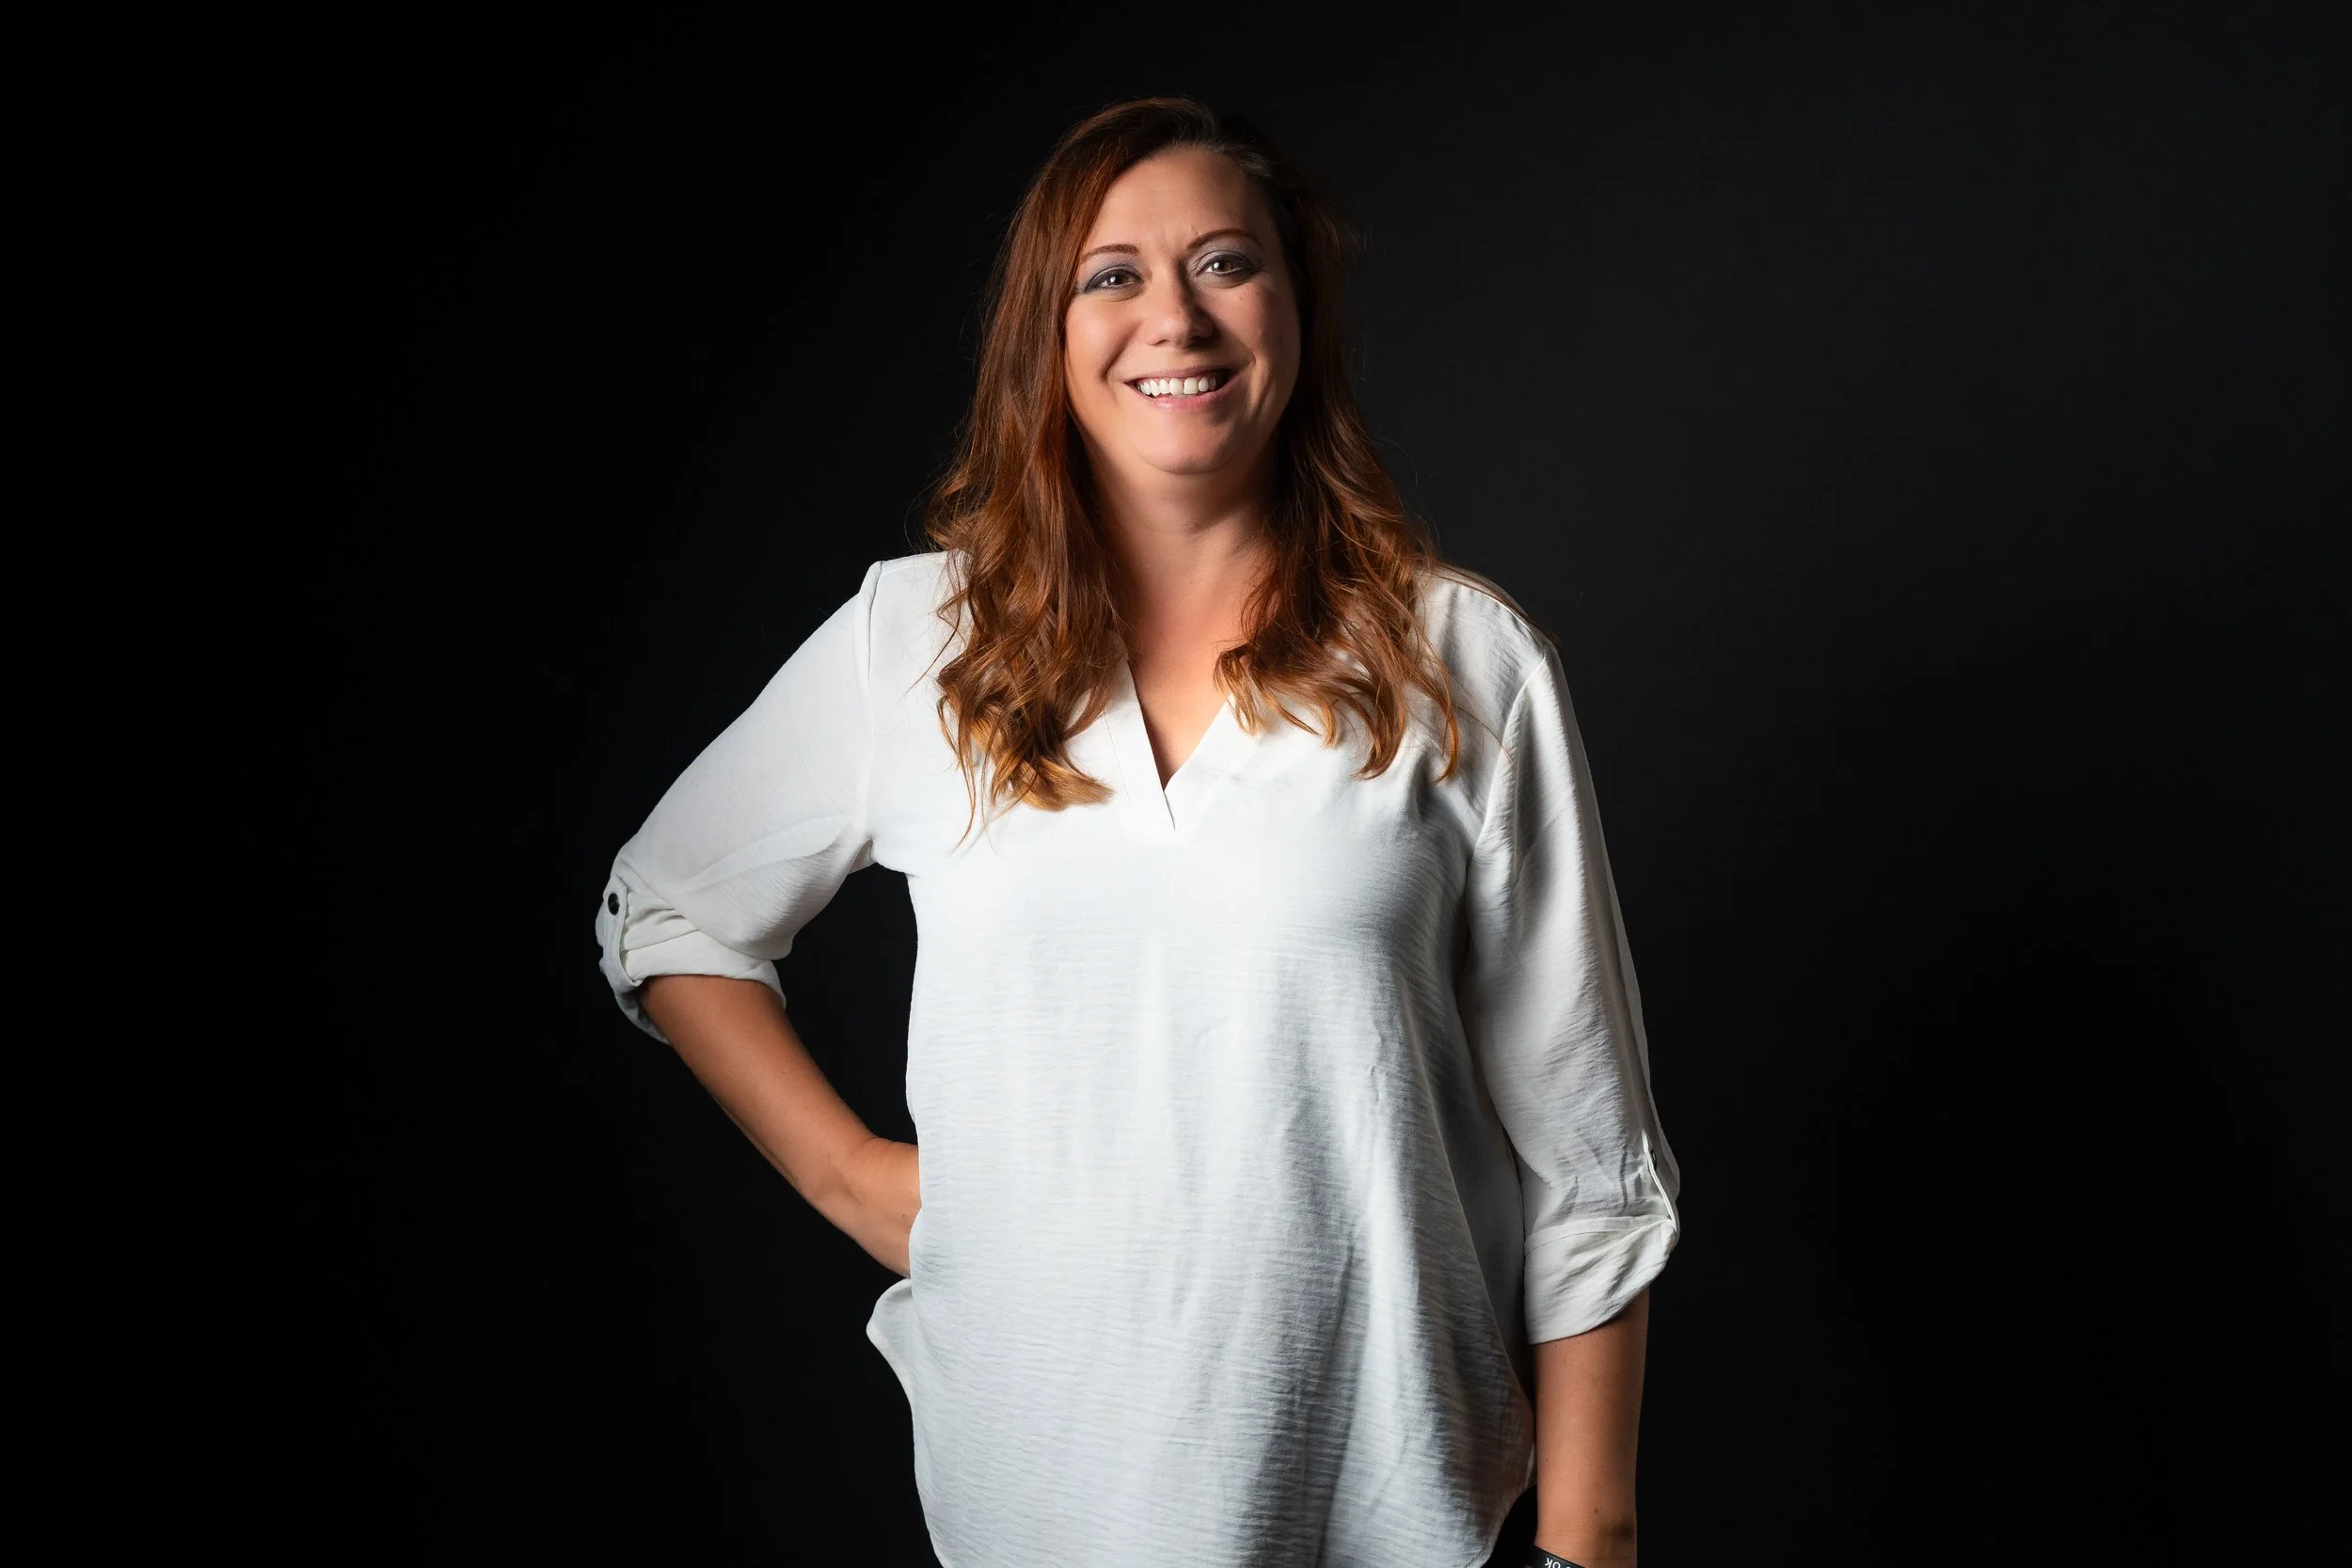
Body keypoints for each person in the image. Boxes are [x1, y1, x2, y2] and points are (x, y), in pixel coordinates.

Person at [593, 97, 1680, 1568]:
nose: (1173, 315)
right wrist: (850, 1173)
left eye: (1226, 263)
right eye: (1111, 274)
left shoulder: (1457, 662)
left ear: (1297, 310)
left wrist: (1589, 1538)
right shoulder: (915, 641)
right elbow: (668, 908)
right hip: (1035, 1507)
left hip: (1389, 1516)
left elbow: (1592, 1161)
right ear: (1046, 332)